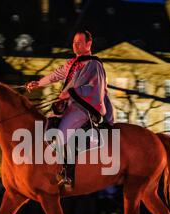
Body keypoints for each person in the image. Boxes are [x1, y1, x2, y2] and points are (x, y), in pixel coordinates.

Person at [26, 30, 114, 187]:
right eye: (74, 42)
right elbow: (55, 75)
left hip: (84, 108)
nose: (76, 45)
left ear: (89, 44)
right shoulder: (72, 63)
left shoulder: (94, 64)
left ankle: (68, 175)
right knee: (48, 127)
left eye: (80, 42)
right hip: (69, 106)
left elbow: (96, 89)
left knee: (60, 135)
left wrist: (71, 93)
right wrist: (38, 83)